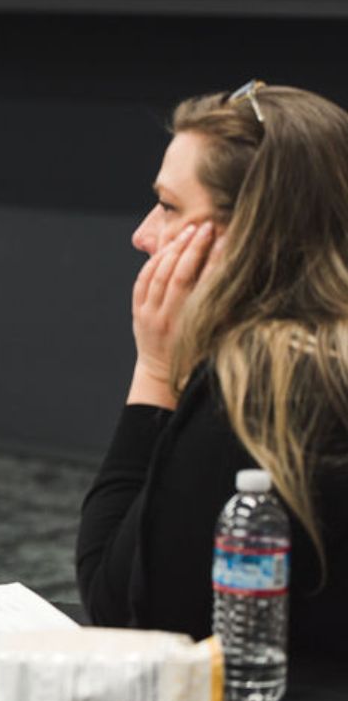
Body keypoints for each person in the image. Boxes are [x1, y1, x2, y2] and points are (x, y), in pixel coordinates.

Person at [77, 81, 348, 654]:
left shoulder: (255, 388)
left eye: (170, 207)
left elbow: (117, 610)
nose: (144, 234)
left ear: (250, 232)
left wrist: (155, 370)